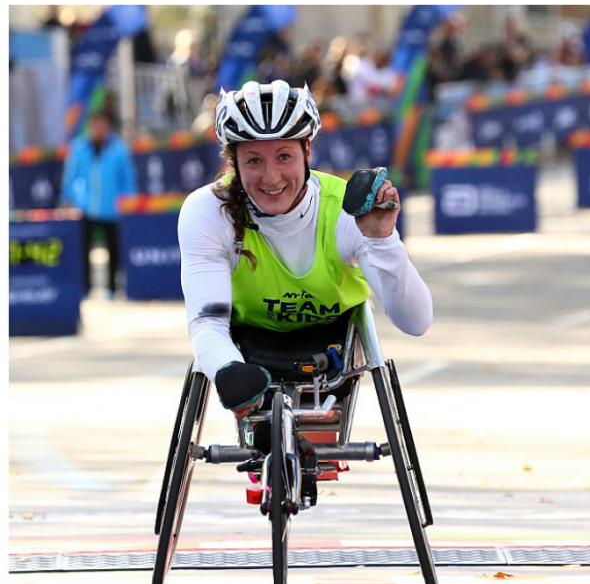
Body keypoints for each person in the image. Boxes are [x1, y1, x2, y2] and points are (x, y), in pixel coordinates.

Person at [178, 79, 432, 424]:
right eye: (253, 161)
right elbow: (207, 324)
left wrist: (382, 240)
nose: (271, 178)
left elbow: (415, 321)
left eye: (284, 156)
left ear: (307, 153)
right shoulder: (208, 211)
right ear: (233, 162)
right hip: (248, 352)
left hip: (332, 351)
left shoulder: (345, 209)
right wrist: (227, 369)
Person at [60, 110, 137, 297]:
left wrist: (128, 202)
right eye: (96, 125)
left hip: (111, 207)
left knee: (114, 248)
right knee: (82, 249)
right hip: (85, 207)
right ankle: (84, 288)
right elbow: (70, 176)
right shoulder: (79, 148)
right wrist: (68, 199)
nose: (99, 129)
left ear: (108, 126)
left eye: (103, 125)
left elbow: (128, 179)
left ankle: (112, 288)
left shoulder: (119, 149)